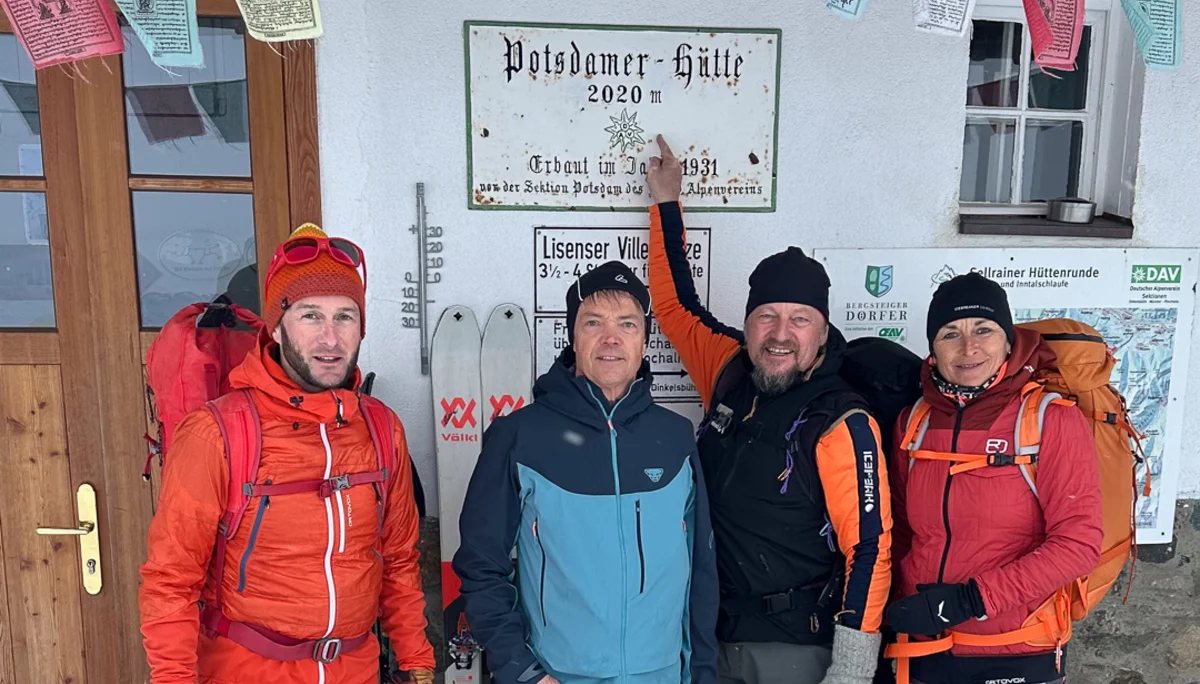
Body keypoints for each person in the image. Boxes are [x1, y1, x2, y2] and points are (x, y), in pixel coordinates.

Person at [139, 224, 435, 684]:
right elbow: (171, 580)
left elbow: (397, 559)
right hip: (247, 669)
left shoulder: (380, 428)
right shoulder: (217, 432)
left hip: (354, 670)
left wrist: (416, 659)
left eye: (345, 317)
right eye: (311, 316)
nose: (331, 339)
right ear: (276, 326)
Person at [644, 135, 892, 684]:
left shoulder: (842, 421)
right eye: (766, 316)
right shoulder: (730, 369)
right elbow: (675, 306)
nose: (780, 334)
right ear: (749, 320)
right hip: (711, 634)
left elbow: (870, 545)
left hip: (796, 651)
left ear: (823, 332)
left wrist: (851, 669)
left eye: (799, 319)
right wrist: (666, 202)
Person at [452, 262, 719, 684]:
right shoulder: (519, 437)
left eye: (627, 325)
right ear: (572, 337)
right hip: (559, 676)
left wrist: (702, 673)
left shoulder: (675, 438)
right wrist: (521, 671)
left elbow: (701, 570)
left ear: (645, 340)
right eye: (593, 322)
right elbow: (480, 565)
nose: (611, 338)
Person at [885, 273, 1103, 684]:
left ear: (1008, 340)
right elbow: (899, 533)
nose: (969, 347)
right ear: (932, 348)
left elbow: (1078, 545)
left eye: (983, 329)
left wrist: (971, 600)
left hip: (1016, 651)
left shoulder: (1050, 420)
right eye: (951, 333)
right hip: (923, 648)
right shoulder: (913, 423)